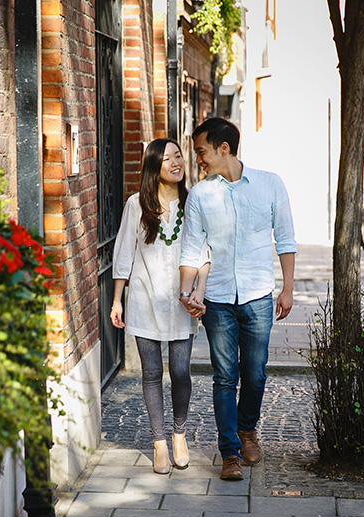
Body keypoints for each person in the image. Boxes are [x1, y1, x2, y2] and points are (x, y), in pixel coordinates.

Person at [179, 117, 296, 481]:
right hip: (216, 299)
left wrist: (288, 288)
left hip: (259, 295)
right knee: (224, 376)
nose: (198, 159)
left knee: (255, 374)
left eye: (201, 151)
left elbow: (286, 238)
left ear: (223, 148)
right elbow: (190, 250)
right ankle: (229, 451)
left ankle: (248, 429)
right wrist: (187, 293)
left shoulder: (269, 184)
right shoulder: (200, 194)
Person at [111, 138, 211, 474]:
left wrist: (198, 291)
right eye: (167, 158)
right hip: (143, 298)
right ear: (154, 166)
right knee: (152, 374)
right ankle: (158, 444)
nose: (175, 163)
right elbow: (124, 253)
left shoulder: (193, 203)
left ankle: (179, 434)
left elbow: (204, 252)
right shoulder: (136, 205)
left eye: (178, 156)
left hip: (182, 303)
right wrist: (116, 300)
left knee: (181, 372)